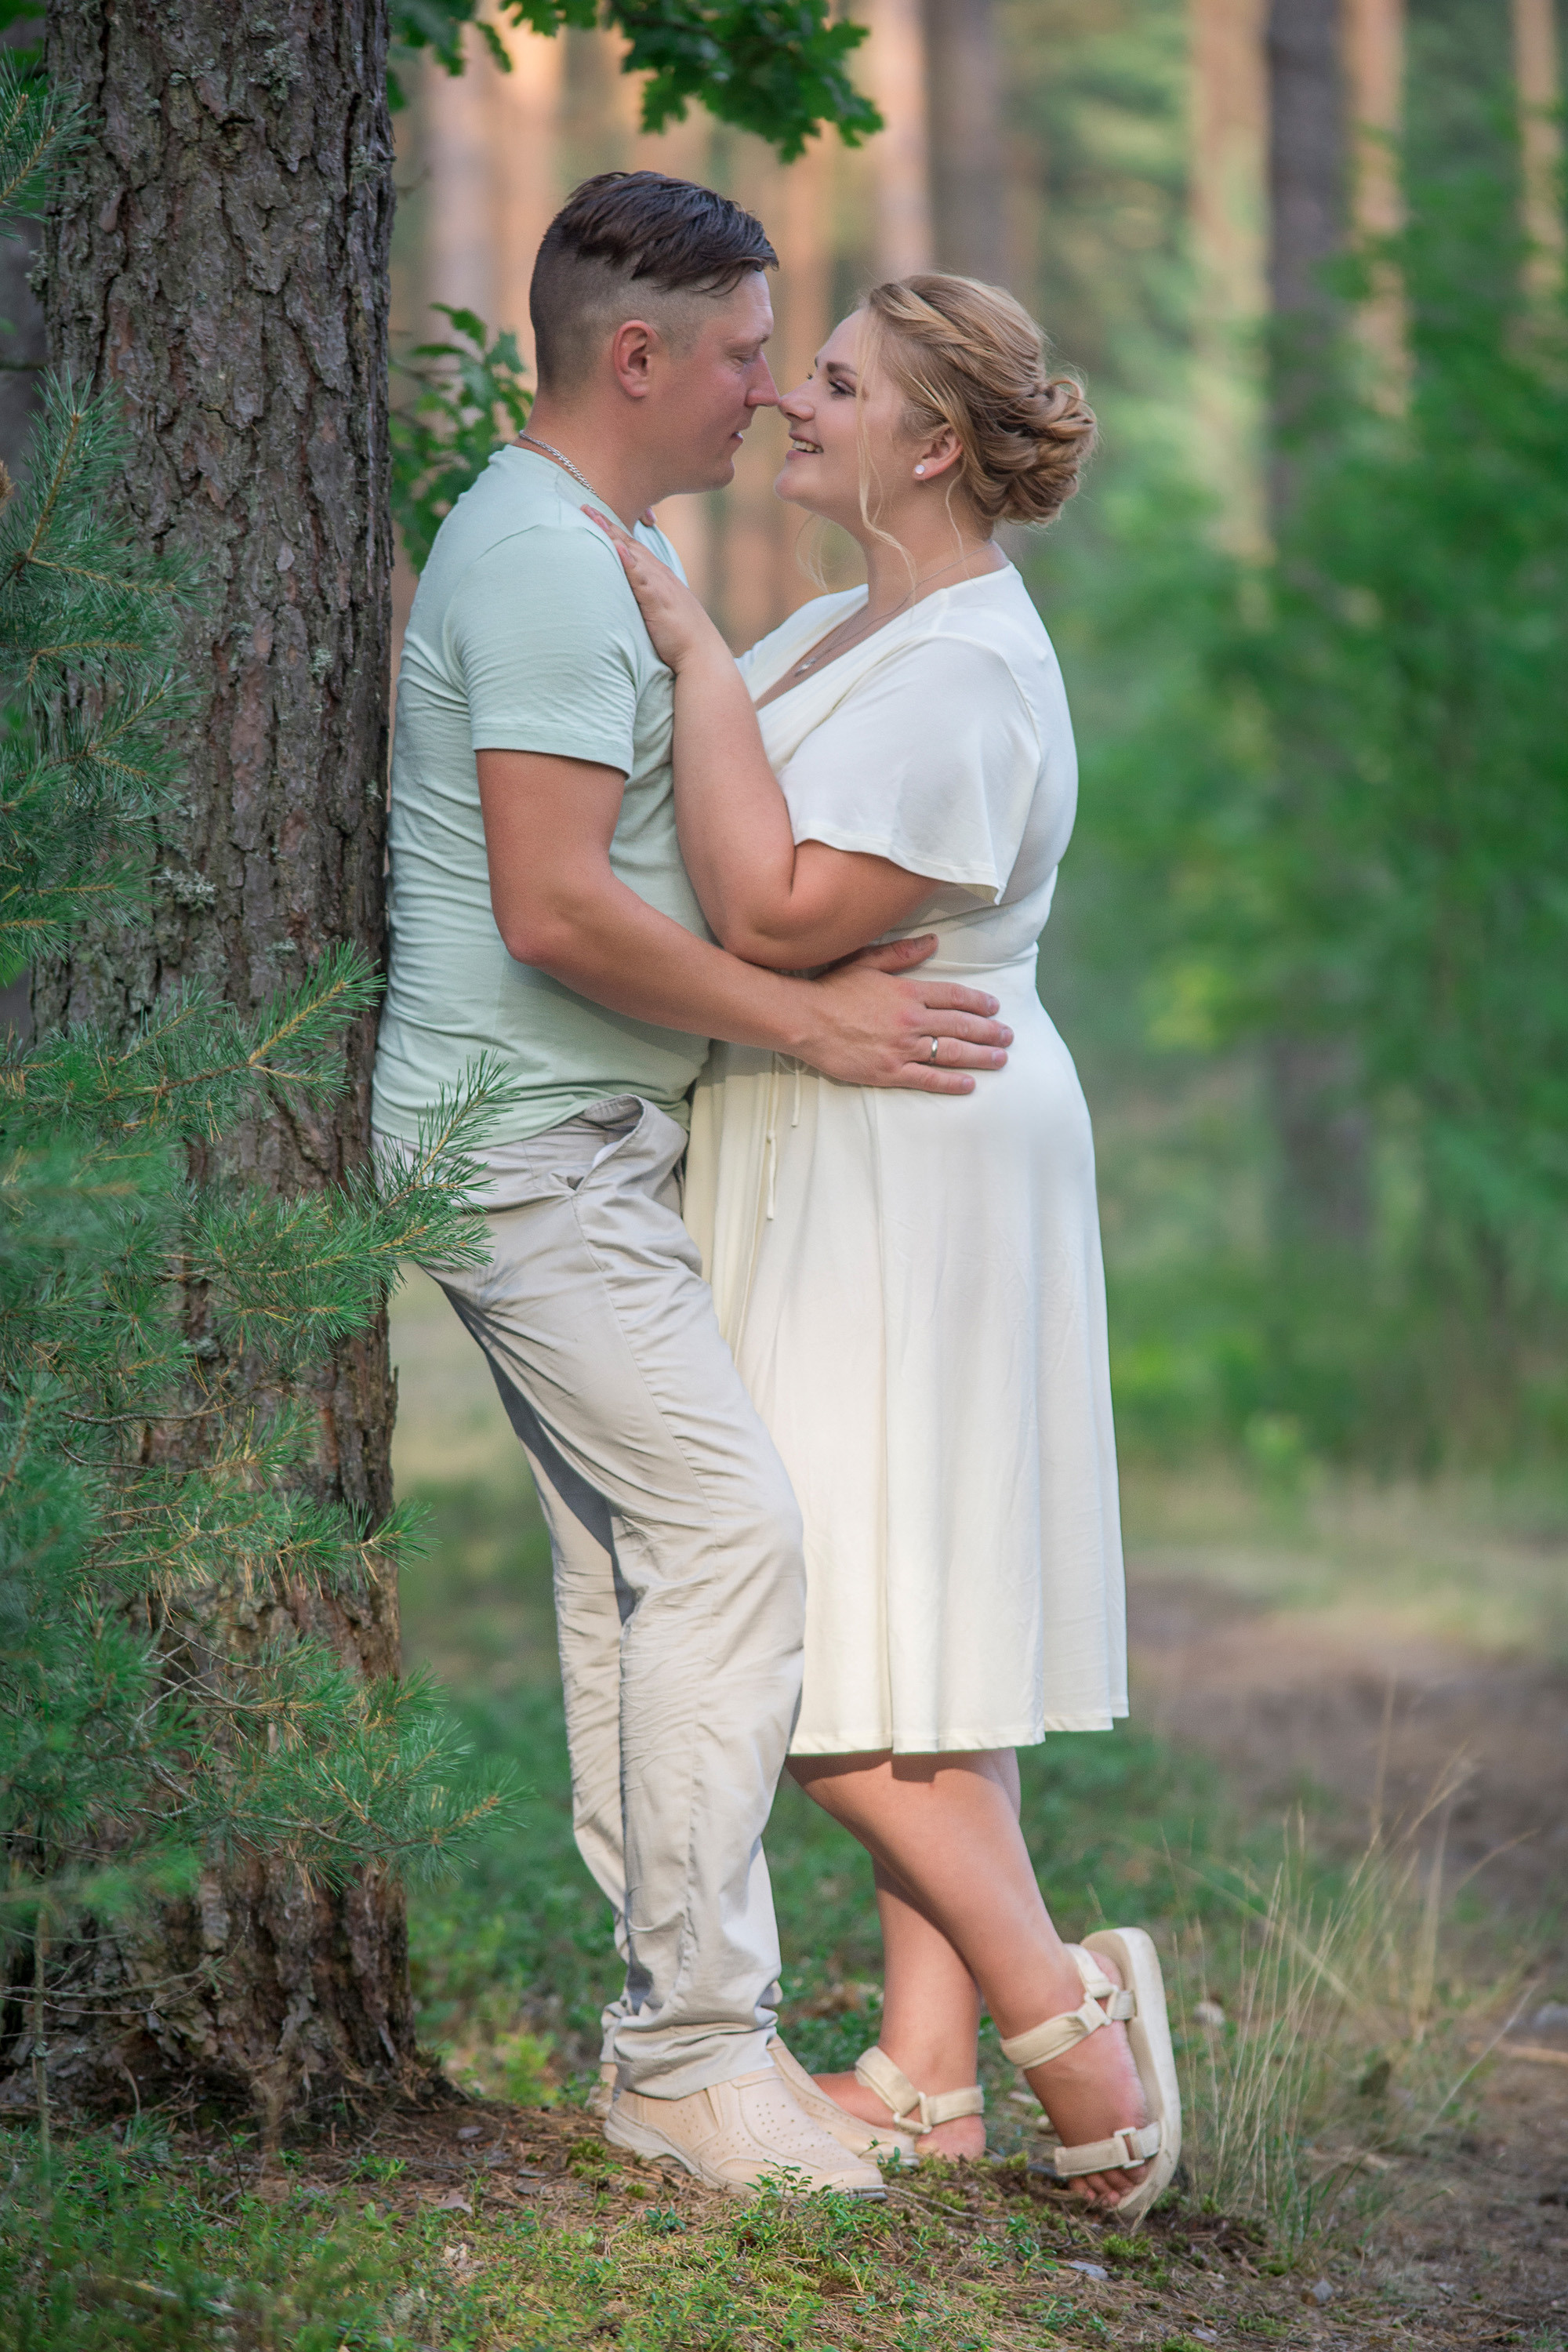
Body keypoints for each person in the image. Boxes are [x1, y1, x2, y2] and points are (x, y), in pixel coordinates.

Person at [371, 176, 1016, 2198]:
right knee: (734, 1539)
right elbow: (558, 908)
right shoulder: (555, 566)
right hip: (522, 1141)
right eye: (747, 353)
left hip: (579, 1139)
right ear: (635, 356)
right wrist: (803, 1023)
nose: (766, 389)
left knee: (640, 1582)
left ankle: (668, 2047)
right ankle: (692, 2048)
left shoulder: (597, 542)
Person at [590, 273, 1181, 2219]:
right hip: (841, 1126)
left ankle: (1064, 2026)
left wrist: (682, 658)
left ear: (934, 442)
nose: (790, 408)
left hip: (904, 1147)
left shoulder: (968, 672)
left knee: (809, 1623)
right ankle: (925, 2081)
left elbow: (771, 910)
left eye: (834, 386)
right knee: (901, 1616)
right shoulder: (864, 617)